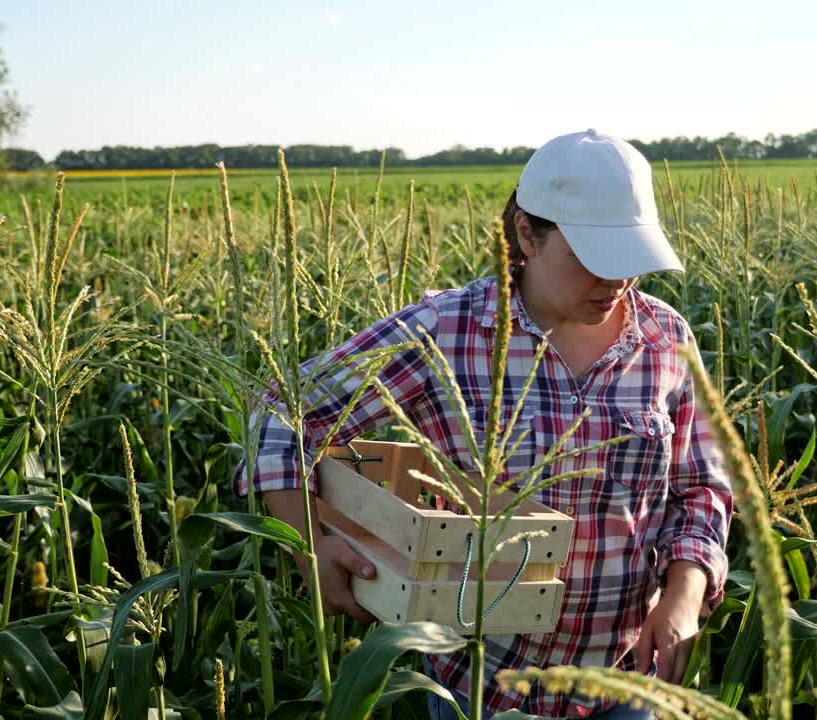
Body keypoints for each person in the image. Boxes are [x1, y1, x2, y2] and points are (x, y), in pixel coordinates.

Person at [238, 129, 732, 719]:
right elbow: (280, 415)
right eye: (593, 260)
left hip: (626, 686)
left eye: (631, 261)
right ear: (527, 233)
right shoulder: (446, 331)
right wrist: (311, 551)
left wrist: (683, 595)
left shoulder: (665, 338)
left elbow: (702, 487)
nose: (616, 283)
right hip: (482, 687)